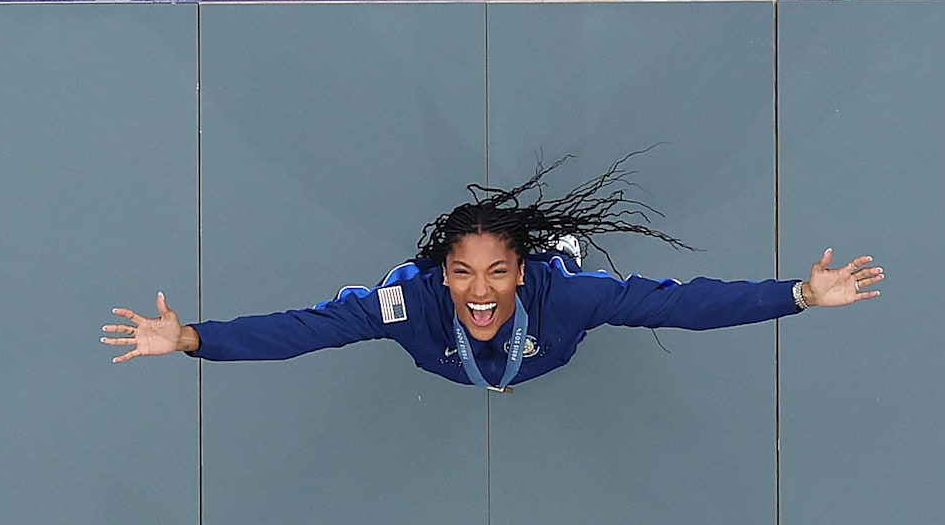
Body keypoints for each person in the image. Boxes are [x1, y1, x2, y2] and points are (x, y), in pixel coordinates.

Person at [102, 154, 882, 392]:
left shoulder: (568, 296)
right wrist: (194, 338)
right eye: (464, 272)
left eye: (497, 272)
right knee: (362, 302)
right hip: (439, 349)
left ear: (520, 274)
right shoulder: (407, 303)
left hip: (549, 347)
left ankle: (556, 241)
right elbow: (299, 332)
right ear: (444, 273)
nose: (480, 289)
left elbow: (682, 306)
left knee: (605, 295)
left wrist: (801, 296)